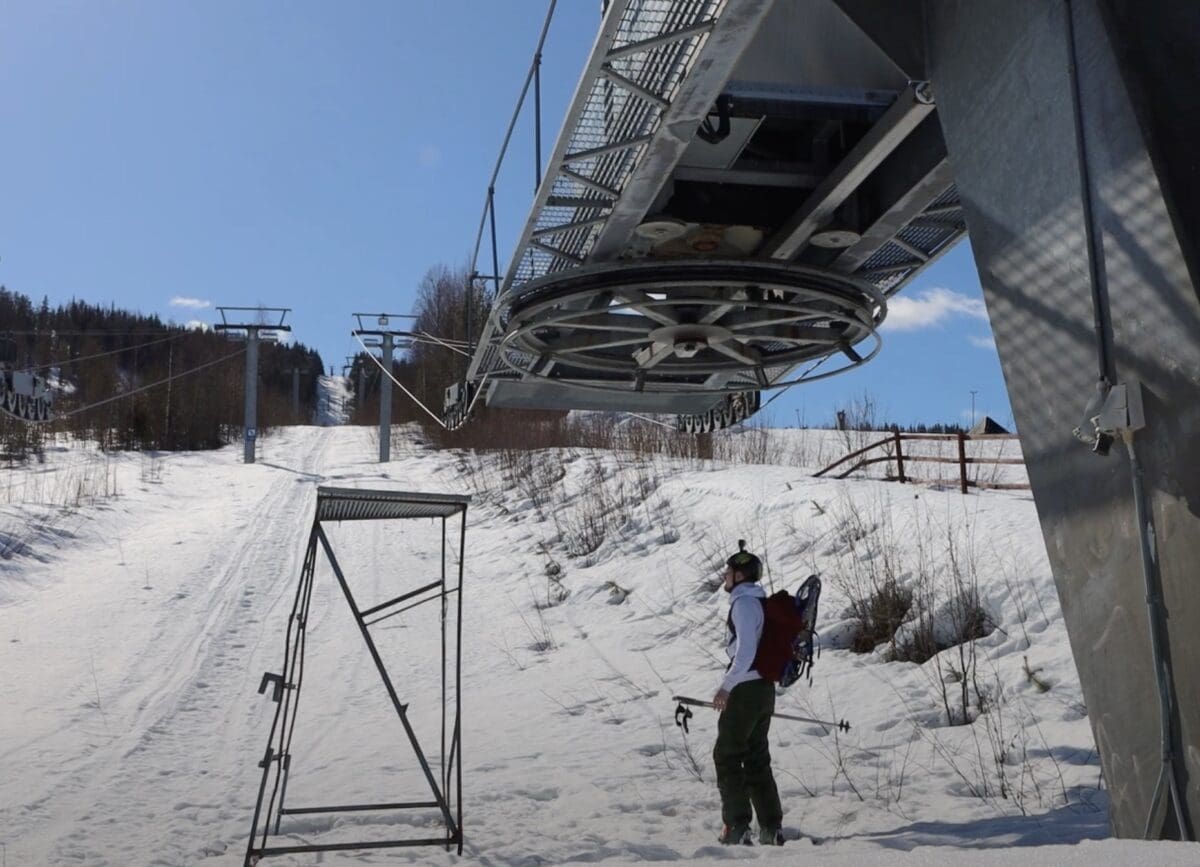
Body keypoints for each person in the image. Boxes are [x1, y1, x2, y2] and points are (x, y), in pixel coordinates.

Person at [713, 541, 784, 846]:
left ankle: (737, 827)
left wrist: (726, 687)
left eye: (728, 571)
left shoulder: (743, 604)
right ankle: (771, 828)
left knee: (727, 755)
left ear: (740, 575)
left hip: (746, 690)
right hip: (764, 690)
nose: (724, 576)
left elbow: (745, 653)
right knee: (756, 757)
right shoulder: (758, 602)